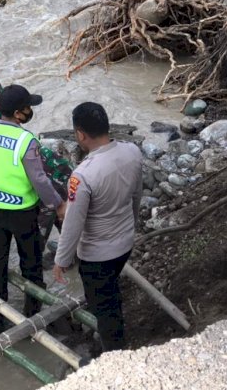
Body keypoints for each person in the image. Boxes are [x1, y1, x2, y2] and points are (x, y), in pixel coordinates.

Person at [0, 85, 66, 332]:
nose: (30, 111)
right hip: (21, 210)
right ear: (17, 114)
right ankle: (33, 310)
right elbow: (39, 180)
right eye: (27, 108)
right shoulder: (26, 140)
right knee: (31, 261)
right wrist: (58, 204)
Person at [53, 102, 143, 352]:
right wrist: (131, 226)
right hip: (124, 243)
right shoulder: (132, 152)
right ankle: (111, 334)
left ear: (80, 134)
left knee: (104, 308)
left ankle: (114, 356)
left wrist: (61, 259)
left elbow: (73, 223)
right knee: (110, 292)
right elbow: (136, 194)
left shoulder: (83, 175)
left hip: (97, 254)